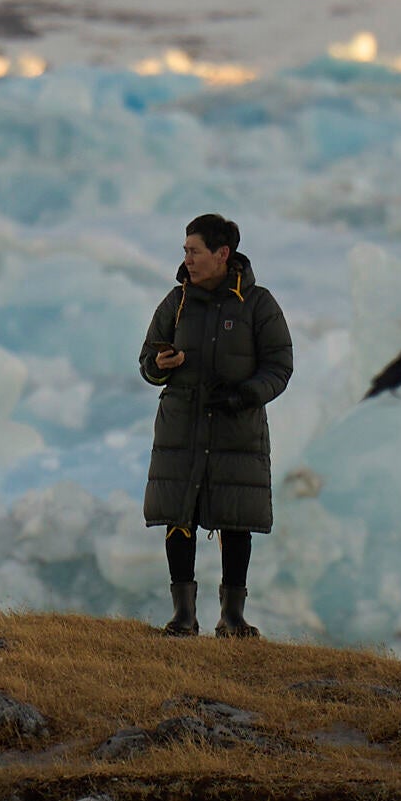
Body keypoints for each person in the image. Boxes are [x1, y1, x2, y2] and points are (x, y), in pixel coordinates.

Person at [134, 213, 292, 638]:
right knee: (178, 513)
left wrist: (245, 394)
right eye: (185, 251)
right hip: (181, 427)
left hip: (236, 429)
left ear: (222, 254)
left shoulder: (258, 304)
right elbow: (148, 360)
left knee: (235, 519)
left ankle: (233, 618)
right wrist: (158, 365)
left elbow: (280, 366)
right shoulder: (176, 301)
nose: (186, 259)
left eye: (194, 251)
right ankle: (183, 617)